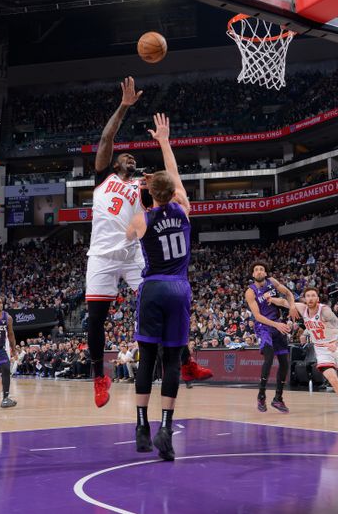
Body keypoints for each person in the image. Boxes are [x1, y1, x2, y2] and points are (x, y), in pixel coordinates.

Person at [125, 113, 191, 462]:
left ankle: (141, 427)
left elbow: (128, 235)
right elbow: (175, 179)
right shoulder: (183, 207)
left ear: (151, 191)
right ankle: (166, 427)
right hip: (179, 288)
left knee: (147, 358)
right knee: (172, 361)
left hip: (152, 288)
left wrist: (141, 196)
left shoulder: (142, 217)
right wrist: (164, 141)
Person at [86, 77, 146, 408]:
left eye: (132, 157)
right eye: (124, 155)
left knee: (158, 298)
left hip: (132, 253)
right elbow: (107, 137)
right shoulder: (104, 177)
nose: (128, 156)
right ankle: (99, 377)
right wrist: (124, 106)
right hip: (102, 255)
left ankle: (181, 359)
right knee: (95, 320)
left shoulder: (141, 186)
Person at [294, 287, 338, 415]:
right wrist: (267, 298)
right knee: (333, 379)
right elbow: (285, 301)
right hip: (321, 348)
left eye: (313, 295)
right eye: (308, 296)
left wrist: (335, 344)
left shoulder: (325, 311)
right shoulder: (301, 308)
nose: (310, 298)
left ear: (317, 298)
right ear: (304, 299)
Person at [245, 260, 299, 413]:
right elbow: (257, 316)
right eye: (256, 270)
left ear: (266, 273)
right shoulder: (250, 291)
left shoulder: (272, 282)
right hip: (264, 327)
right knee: (268, 359)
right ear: (253, 274)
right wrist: (276, 325)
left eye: (262, 269)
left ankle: (278, 399)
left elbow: (288, 294)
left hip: (277, 324)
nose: (259, 271)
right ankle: (261, 395)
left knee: (284, 363)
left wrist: (292, 305)